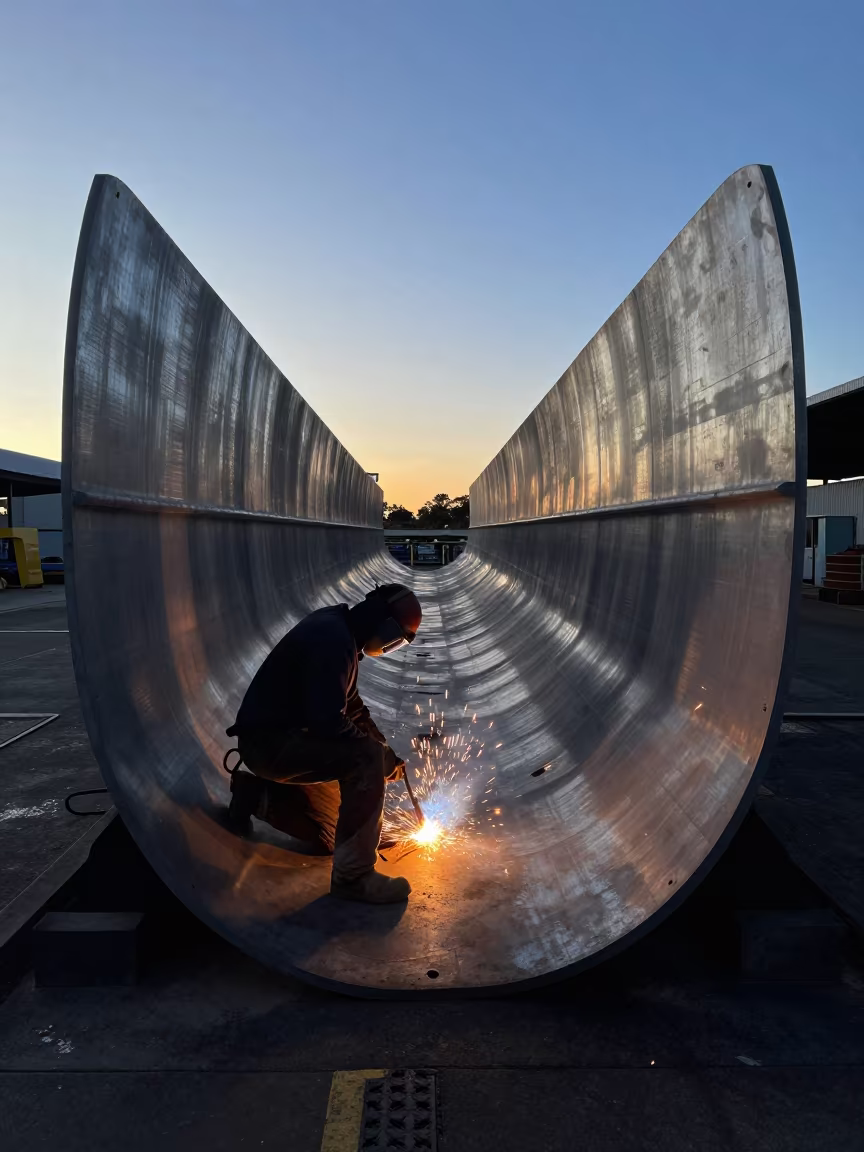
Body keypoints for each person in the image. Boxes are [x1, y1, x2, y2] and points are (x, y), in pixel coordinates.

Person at [225, 583, 422, 904]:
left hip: (277, 742)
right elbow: (328, 721)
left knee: (334, 830)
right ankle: (353, 878)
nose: (389, 647)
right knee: (365, 759)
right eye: (395, 640)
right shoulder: (334, 641)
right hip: (274, 746)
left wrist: (385, 749)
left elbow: (352, 706)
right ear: (384, 625)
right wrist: (377, 757)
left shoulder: (339, 630)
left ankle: (256, 795)